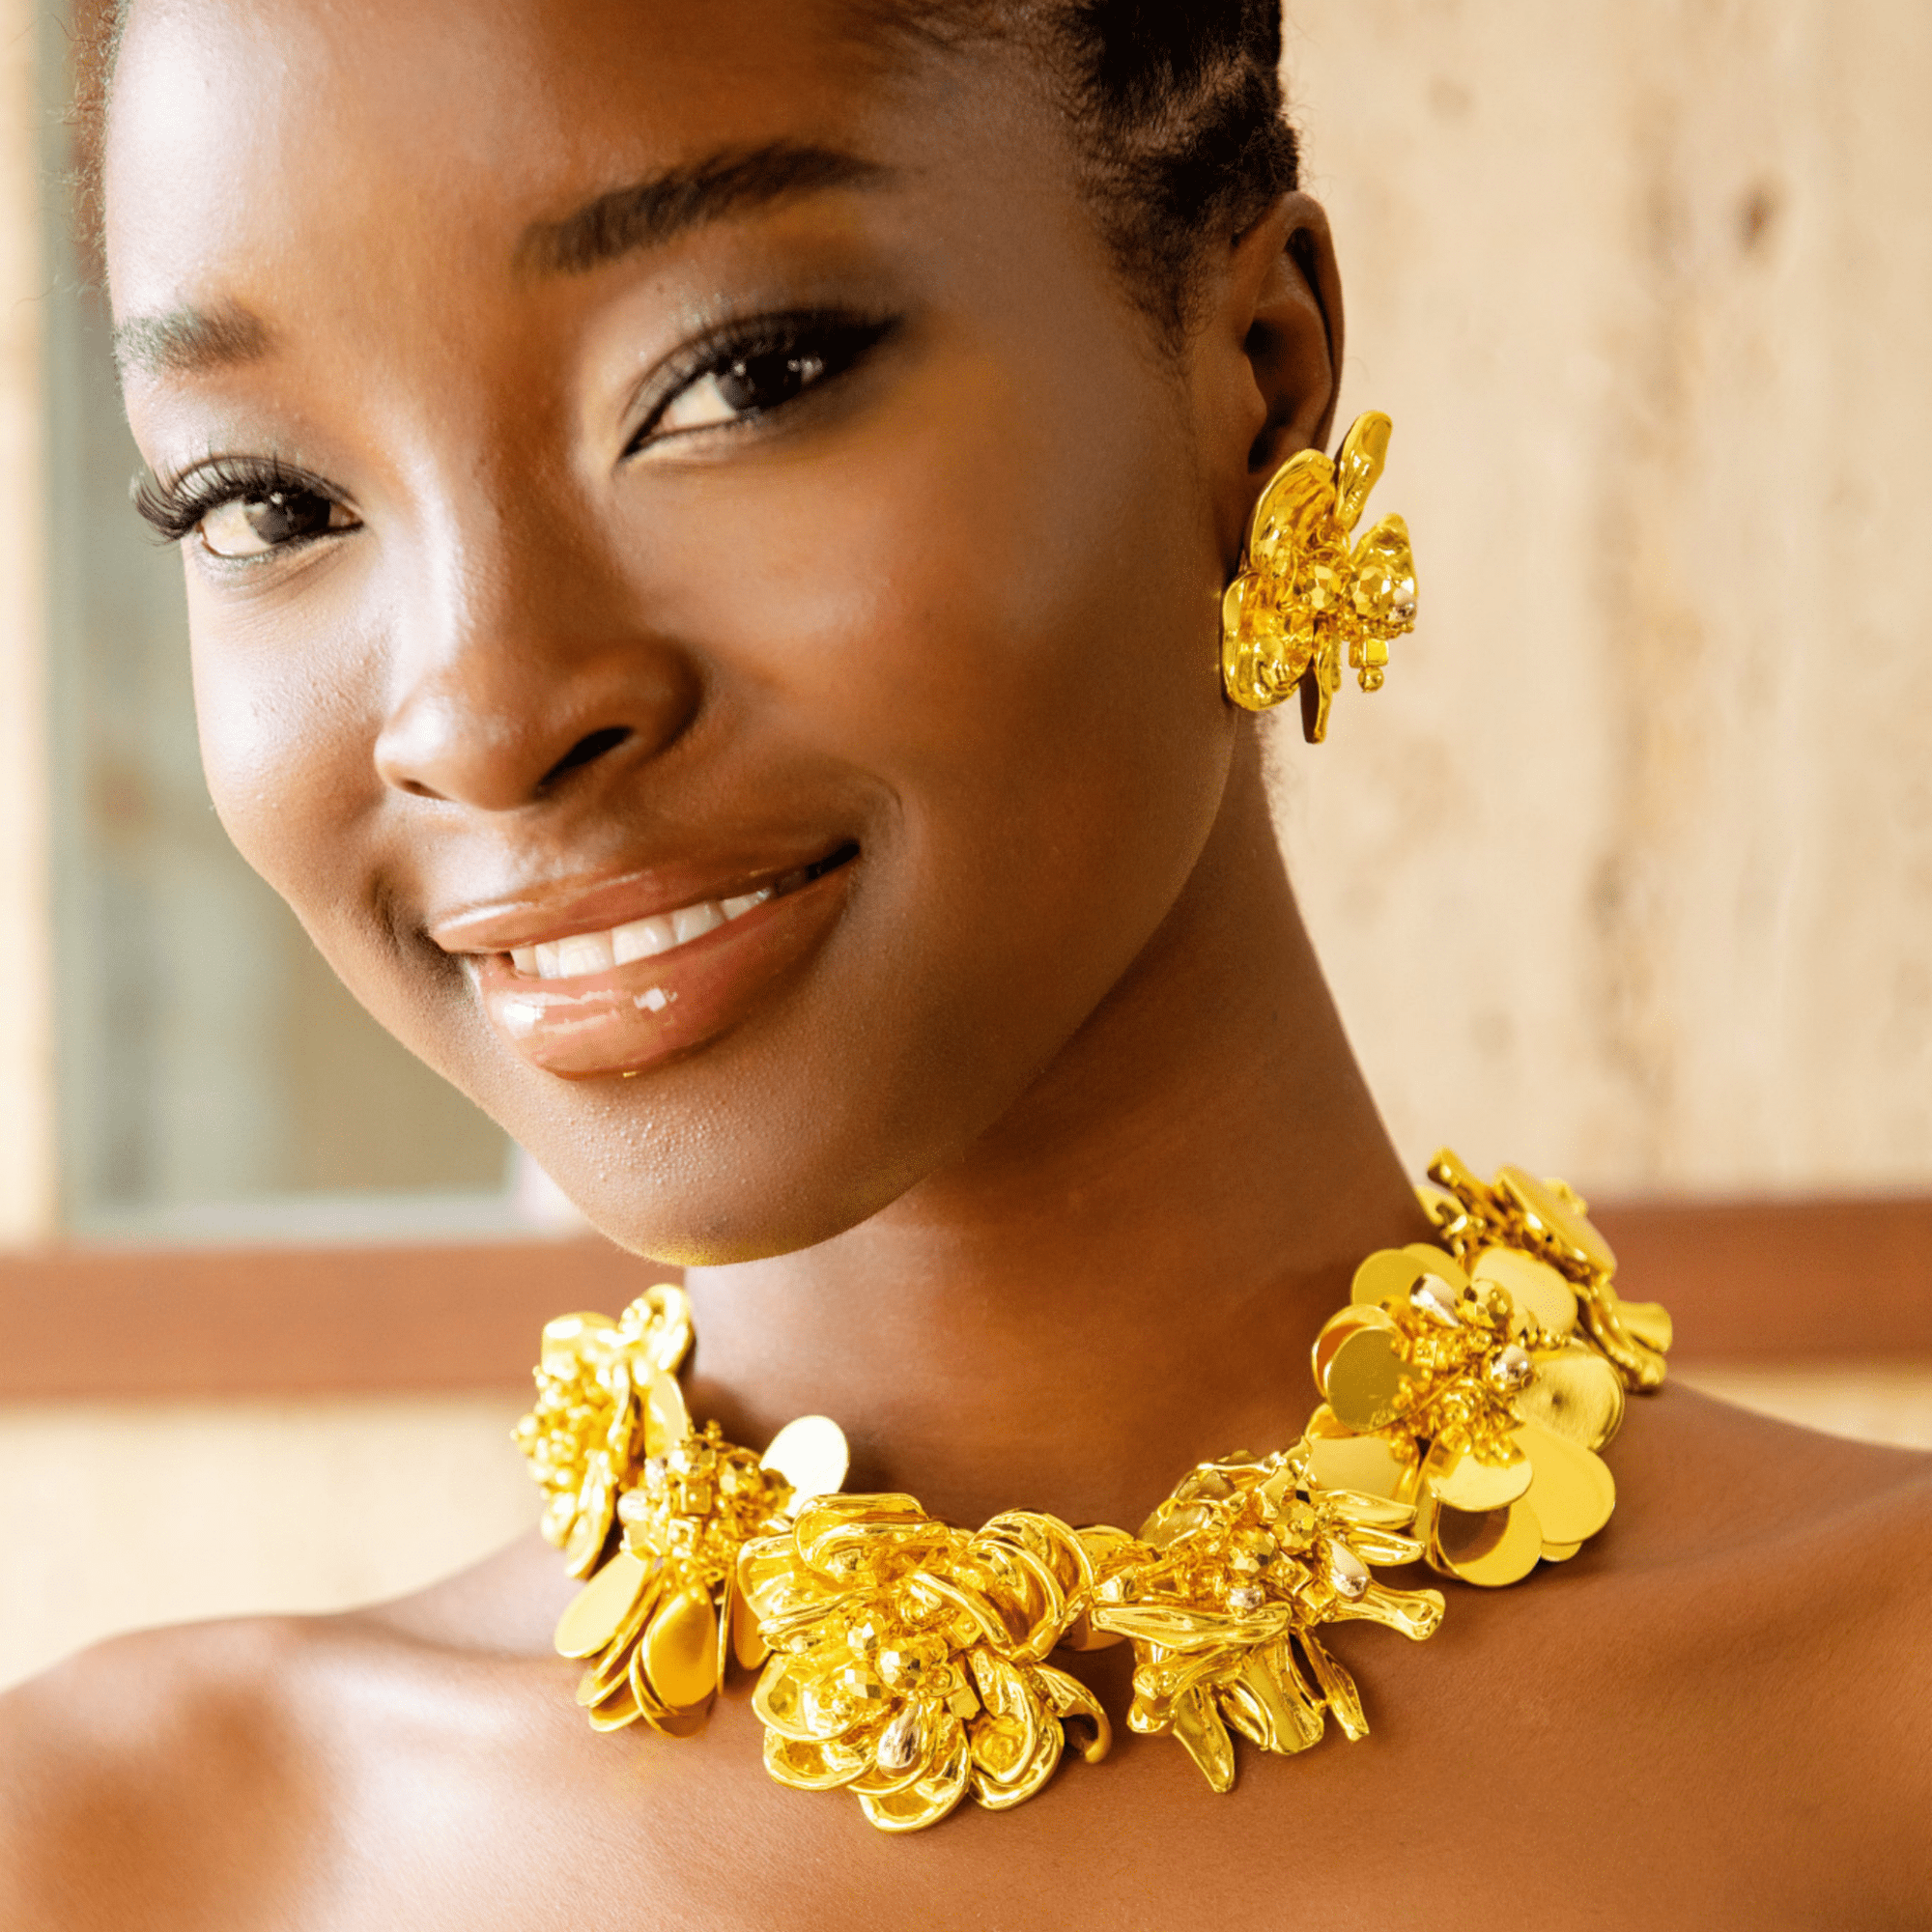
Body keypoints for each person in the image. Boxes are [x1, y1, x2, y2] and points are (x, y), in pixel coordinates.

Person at [3, 0, 1927, 1923]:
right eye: (265, 503)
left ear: (1253, 381)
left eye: (739, 379)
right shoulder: (115, 1857)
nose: (485, 712)